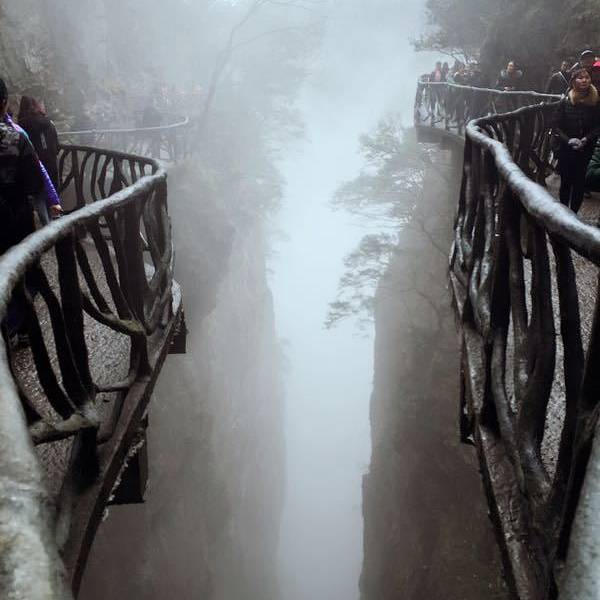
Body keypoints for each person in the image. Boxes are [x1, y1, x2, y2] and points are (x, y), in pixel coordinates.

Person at [0, 79, 45, 346]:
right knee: (26, 274)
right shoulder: (17, 138)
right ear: (4, 103)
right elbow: (35, 182)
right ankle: (16, 328)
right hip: (15, 220)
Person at [552, 67, 600, 213]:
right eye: (580, 78)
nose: (584, 80)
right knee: (566, 181)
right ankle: (563, 212)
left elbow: (598, 126)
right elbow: (556, 125)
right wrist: (568, 140)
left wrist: (586, 139)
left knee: (579, 182)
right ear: (573, 82)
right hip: (566, 149)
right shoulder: (565, 101)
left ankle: (573, 214)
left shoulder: (596, 102)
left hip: (585, 149)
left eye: (586, 77)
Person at [17, 96, 62, 224]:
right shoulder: (49, 123)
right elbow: (57, 146)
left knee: (39, 198)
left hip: (34, 166)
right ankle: (56, 226)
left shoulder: (21, 126)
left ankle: (47, 226)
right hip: (51, 165)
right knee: (52, 197)